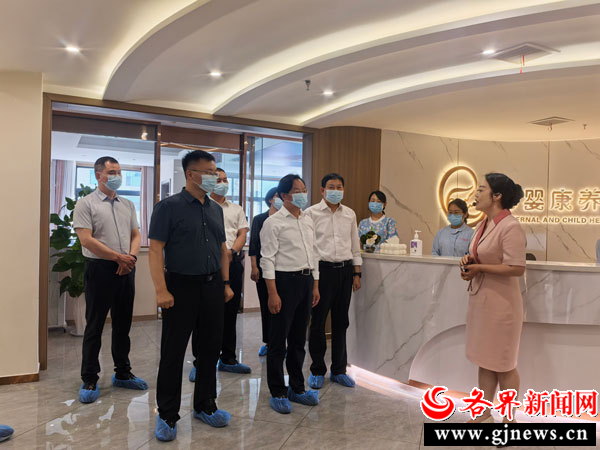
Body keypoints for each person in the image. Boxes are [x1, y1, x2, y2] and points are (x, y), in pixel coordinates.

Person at [148, 150, 234, 441]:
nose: (214, 177)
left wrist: (225, 283)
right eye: (208, 172)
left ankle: (205, 405)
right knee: (173, 352)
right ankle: (167, 414)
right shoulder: (168, 207)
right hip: (180, 286)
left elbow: (222, 249)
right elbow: (156, 250)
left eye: (215, 173)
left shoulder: (215, 209)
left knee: (210, 349)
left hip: (212, 286)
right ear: (190, 174)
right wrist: (161, 289)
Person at [73, 156, 147, 404]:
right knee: (94, 326)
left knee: (123, 325)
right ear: (98, 175)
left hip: (127, 268)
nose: (117, 176)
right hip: (100, 269)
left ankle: (123, 373)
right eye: (112, 172)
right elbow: (86, 240)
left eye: (119, 172)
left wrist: (130, 258)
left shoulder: (128, 204)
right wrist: (118, 258)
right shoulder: (86, 204)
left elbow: (136, 234)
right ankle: (89, 378)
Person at [460, 173, 526, 425]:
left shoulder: (510, 226)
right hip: (482, 302)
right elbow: (482, 256)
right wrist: (470, 262)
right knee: (485, 360)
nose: (476, 194)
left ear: (497, 196)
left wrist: (479, 268)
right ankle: (483, 412)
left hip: (502, 307)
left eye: (481, 189)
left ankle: (509, 419)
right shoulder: (484, 224)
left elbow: (516, 267)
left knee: (504, 364)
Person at [260, 174, 320, 414]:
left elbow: (313, 253)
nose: (303, 194)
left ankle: (297, 387)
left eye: (304, 189)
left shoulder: (307, 220)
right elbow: (267, 260)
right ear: (284, 195)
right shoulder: (273, 223)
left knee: (298, 340)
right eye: (297, 190)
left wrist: (315, 285)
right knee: (278, 341)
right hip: (284, 282)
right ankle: (278, 391)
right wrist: (272, 293)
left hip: (306, 281)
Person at [188, 168, 250, 381]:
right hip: (208, 265)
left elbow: (242, 233)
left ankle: (228, 358)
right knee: (203, 317)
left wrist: (231, 252)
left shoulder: (236, 208)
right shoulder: (201, 206)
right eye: (218, 179)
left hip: (233, 263)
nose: (223, 183)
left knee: (230, 314)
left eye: (225, 179)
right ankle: (200, 362)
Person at [305, 173, 362, 389]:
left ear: (343, 190)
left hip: (345, 272)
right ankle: (317, 370)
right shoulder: (310, 213)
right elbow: (310, 248)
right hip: (321, 272)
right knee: (318, 322)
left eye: (339, 187)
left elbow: (355, 245)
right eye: (331, 187)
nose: (335, 190)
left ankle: (339, 370)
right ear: (322, 190)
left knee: (341, 321)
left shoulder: (349, 214)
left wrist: (356, 273)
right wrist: (314, 280)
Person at [249, 187, 283, 357]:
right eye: (277, 196)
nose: (280, 198)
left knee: (283, 307)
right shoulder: (260, 219)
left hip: (283, 269)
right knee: (267, 305)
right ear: (270, 199)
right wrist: (254, 267)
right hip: (263, 268)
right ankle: (268, 342)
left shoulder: (286, 218)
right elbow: (254, 244)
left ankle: (281, 342)